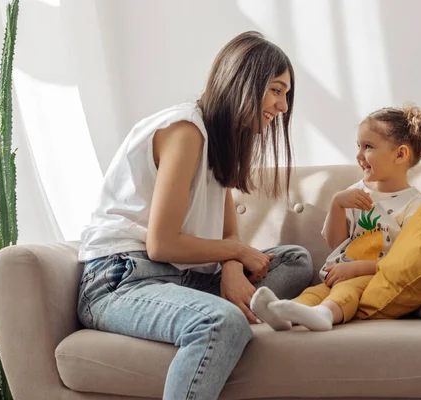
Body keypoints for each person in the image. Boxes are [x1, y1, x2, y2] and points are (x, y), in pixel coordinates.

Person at [76, 31, 313, 399]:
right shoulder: (186, 130)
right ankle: (212, 316)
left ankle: (214, 304)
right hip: (123, 280)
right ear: (244, 81)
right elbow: (161, 244)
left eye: (286, 95)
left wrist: (233, 271)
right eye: (277, 91)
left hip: (183, 277)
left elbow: (229, 234)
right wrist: (234, 255)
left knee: (295, 260)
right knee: (222, 322)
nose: (283, 107)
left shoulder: (224, 138)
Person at [251, 104, 421, 331]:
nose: (359, 155)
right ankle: (282, 315)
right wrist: (337, 204)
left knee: (346, 291)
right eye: (358, 146)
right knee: (314, 292)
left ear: (400, 154)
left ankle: (324, 315)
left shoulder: (414, 205)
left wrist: (358, 268)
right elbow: (336, 244)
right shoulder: (356, 192)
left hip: (374, 278)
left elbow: (406, 261)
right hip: (338, 274)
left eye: (368, 146)